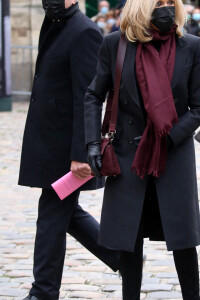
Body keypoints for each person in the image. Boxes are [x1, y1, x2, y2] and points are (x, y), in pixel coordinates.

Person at [84, 0, 200, 299]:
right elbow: (93, 94)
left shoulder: (190, 45)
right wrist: (91, 142)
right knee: (129, 238)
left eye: (171, 2)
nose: (166, 7)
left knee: (183, 241)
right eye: (159, 2)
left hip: (173, 155)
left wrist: (167, 137)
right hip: (128, 155)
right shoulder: (116, 43)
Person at [19, 1, 120, 299]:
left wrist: (82, 152)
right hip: (49, 143)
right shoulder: (54, 23)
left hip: (67, 150)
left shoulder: (84, 32)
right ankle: (120, 257)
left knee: (51, 215)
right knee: (66, 213)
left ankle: (43, 291)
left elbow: (87, 98)